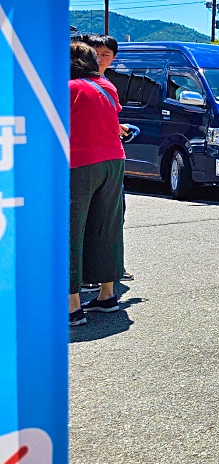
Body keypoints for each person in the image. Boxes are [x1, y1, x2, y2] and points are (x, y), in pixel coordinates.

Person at [68, 41, 126, 327]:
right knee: (107, 227)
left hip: (79, 163)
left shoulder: (69, 88)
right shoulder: (107, 87)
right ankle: (107, 294)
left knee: (70, 230)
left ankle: (71, 306)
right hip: (114, 161)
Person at [79, 34, 134, 287]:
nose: (99, 58)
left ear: (113, 59)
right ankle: (102, 279)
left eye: (105, 55)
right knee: (99, 220)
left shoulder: (99, 84)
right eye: (95, 53)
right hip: (110, 158)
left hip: (89, 159)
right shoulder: (99, 85)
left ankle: (103, 272)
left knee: (106, 218)